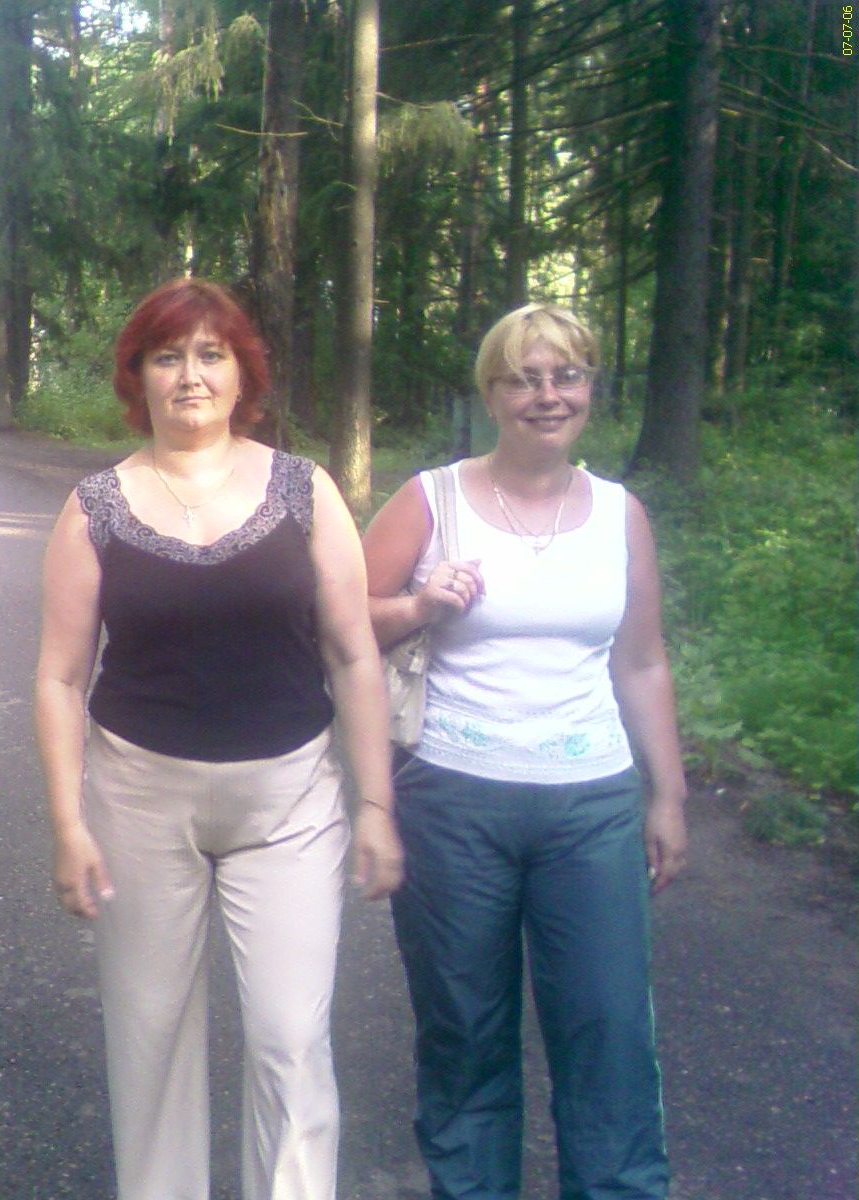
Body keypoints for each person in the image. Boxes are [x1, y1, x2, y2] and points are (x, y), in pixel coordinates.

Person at [34, 277, 402, 1200]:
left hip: (290, 802)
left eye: (211, 354)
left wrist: (375, 804)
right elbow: (59, 678)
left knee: (291, 1040)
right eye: (168, 356)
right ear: (139, 377)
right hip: (138, 801)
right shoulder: (95, 507)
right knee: (150, 1041)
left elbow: (354, 652)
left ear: (243, 374)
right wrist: (68, 825)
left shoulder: (305, 491)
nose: (190, 375)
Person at [361, 302, 688, 1200]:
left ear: (589, 388)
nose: (548, 395)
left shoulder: (620, 514)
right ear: (491, 394)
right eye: (524, 379)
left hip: (592, 806)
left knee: (609, 1029)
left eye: (567, 375)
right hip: (453, 802)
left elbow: (643, 660)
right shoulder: (432, 499)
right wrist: (419, 606)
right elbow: (343, 625)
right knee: (465, 1030)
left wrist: (667, 795)